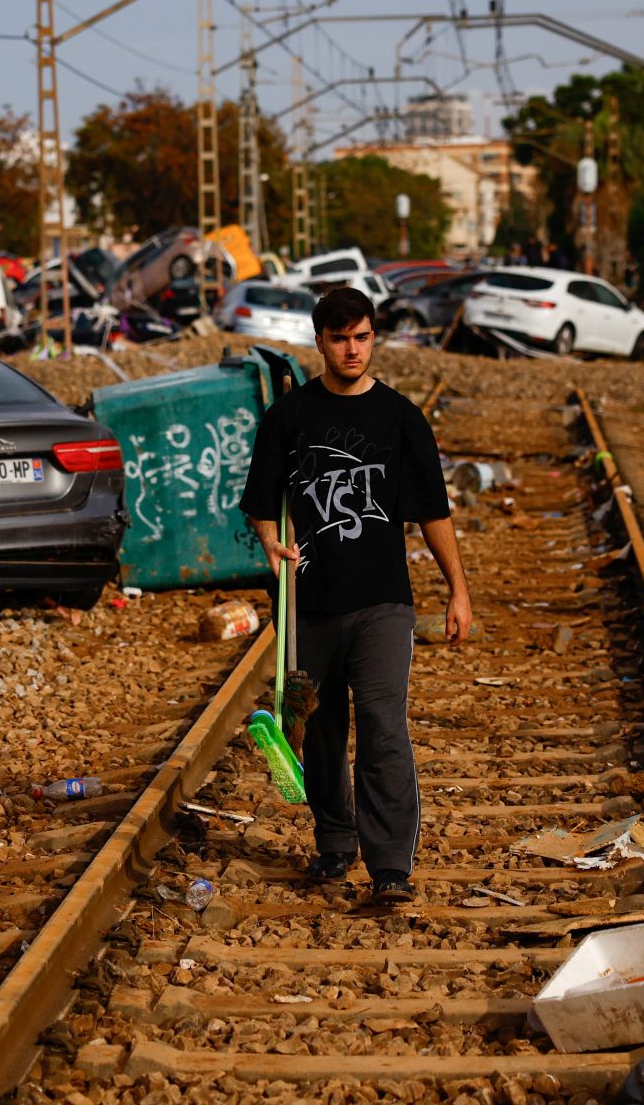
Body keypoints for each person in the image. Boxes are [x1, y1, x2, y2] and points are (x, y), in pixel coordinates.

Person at [240, 287, 472, 905]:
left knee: (381, 727)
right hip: (310, 601)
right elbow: (260, 503)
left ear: (374, 338)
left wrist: (458, 590)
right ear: (319, 341)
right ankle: (335, 842)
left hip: (383, 603)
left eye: (362, 337)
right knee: (318, 730)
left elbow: (432, 512)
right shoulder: (289, 418)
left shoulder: (400, 417)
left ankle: (391, 864)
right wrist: (271, 543)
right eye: (340, 338)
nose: (352, 349)